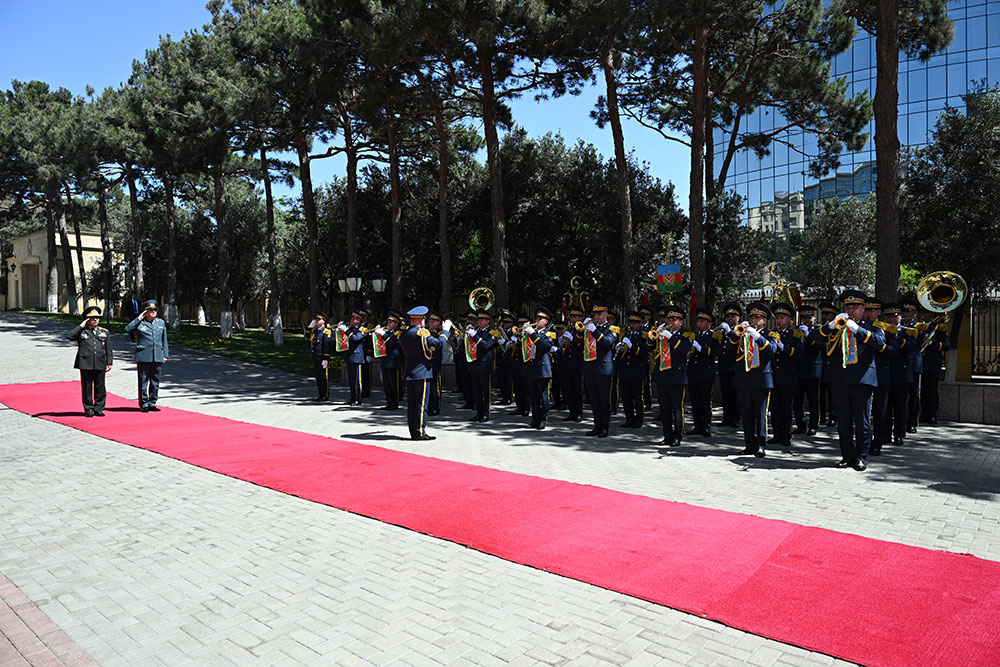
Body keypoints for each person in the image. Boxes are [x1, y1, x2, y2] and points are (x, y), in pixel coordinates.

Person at [821, 290, 886, 471]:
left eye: (855, 307)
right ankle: (846, 455)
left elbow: (880, 343)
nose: (851, 311)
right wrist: (831, 326)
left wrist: (857, 329)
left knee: (862, 421)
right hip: (839, 380)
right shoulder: (838, 326)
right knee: (843, 421)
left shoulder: (873, 326)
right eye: (848, 307)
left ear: (863, 309)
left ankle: (861, 457)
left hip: (861, 380)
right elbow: (814, 338)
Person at [727, 302, 775, 457]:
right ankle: (749, 444)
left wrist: (757, 336)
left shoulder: (770, 334)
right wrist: (737, 334)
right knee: (746, 414)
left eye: (757, 317)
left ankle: (761, 445)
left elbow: (772, 350)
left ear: (764, 321)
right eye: (752, 317)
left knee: (761, 414)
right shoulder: (743, 335)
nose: (754, 320)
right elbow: (729, 348)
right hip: (744, 379)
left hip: (761, 380)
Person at [651, 305, 694, 447]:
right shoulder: (662, 335)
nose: (670, 322)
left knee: (677, 408)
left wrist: (671, 337)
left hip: (677, 377)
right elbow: (649, 346)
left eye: (674, 319)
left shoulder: (686, 335)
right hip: (662, 375)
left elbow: (685, 350)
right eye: (669, 319)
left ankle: (677, 436)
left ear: (681, 322)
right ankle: (667, 435)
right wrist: (656, 334)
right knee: (664, 408)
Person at [399, 306, 443, 440]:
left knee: (412, 404)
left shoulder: (404, 334)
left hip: (410, 372)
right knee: (422, 404)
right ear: (421, 320)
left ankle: (413, 431)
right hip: (422, 373)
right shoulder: (421, 333)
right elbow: (438, 343)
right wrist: (446, 332)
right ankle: (420, 432)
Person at [767, 302, 803, 448]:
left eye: (782, 318)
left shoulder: (795, 334)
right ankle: (777, 434)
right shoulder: (772, 333)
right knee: (775, 408)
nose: (779, 320)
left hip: (788, 376)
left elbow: (799, 354)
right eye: (777, 318)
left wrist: (783, 347)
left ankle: (786, 435)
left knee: (786, 408)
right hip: (774, 376)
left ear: (789, 320)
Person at [68, 305, 114, 417]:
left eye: (97, 318)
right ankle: (88, 409)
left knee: (100, 387)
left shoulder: (104, 332)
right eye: (92, 318)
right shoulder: (82, 331)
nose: (95, 320)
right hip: (86, 363)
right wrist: (81, 325)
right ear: (87, 319)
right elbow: (70, 336)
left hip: (100, 362)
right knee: (87, 387)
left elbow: (108, 349)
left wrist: (109, 362)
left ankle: (98, 408)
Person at [581, 300, 618, 437]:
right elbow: (580, 343)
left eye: (599, 314)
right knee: (594, 400)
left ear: (605, 314)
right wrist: (583, 330)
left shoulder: (612, 329)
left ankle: (604, 427)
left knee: (603, 400)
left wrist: (595, 331)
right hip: (590, 368)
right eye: (594, 314)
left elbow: (607, 343)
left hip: (603, 369)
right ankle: (596, 426)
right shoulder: (591, 328)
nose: (596, 316)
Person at [124, 299, 169, 412]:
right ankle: (144, 403)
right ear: (145, 311)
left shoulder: (160, 323)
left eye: (155, 310)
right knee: (143, 380)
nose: (153, 312)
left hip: (157, 355)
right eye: (150, 310)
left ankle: (152, 402)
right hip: (144, 355)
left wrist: (165, 355)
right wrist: (139, 318)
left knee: (155, 381)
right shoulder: (140, 323)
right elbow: (127, 329)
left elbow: (164, 340)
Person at [520, 307, 557, 429]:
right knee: (533, 396)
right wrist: (524, 334)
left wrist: (532, 333)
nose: (537, 320)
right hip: (530, 368)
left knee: (543, 397)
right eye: (536, 318)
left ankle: (543, 420)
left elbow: (543, 346)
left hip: (542, 369)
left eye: (540, 318)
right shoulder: (531, 333)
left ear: (546, 321)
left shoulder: (549, 334)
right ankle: (535, 419)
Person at [685, 308, 719, 437]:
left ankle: (706, 426)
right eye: (698, 321)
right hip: (693, 373)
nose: (699, 324)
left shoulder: (714, 336)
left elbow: (715, 351)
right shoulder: (694, 335)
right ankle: (697, 425)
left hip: (706, 374)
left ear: (709, 324)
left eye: (702, 321)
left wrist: (701, 349)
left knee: (705, 401)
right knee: (695, 401)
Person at [617, 311, 650, 429]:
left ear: (640, 323)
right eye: (631, 322)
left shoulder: (643, 336)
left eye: (635, 323)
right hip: (625, 370)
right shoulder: (626, 334)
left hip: (637, 370)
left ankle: (639, 419)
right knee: (626, 397)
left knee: (638, 397)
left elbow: (644, 353)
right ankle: (629, 418)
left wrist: (632, 346)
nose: (632, 325)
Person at [793, 304, 822, 436]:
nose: (806, 320)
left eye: (809, 317)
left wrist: (808, 335)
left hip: (812, 369)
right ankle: (801, 424)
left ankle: (813, 425)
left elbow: (820, 346)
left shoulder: (819, 330)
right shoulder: (797, 330)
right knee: (797, 399)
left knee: (813, 399)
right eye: (804, 318)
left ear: (814, 317)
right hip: (799, 368)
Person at [465, 308, 498, 422]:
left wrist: (474, 336)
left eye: (482, 319)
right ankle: (478, 412)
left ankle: (485, 413)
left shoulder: (492, 333)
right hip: (474, 364)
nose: (479, 321)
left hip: (484, 366)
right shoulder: (476, 331)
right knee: (476, 391)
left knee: (485, 391)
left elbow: (486, 345)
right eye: (479, 319)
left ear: (488, 321)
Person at [920, 309, 950, 425]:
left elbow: (947, 345)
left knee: (932, 390)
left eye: (925, 313)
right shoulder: (919, 326)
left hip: (933, 364)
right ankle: (924, 413)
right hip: (921, 363)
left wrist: (933, 344)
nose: (923, 315)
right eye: (922, 312)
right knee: (922, 391)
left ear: (931, 314)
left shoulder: (940, 327)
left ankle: (932, 414)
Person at [716, 303, 742, 428]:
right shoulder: (723, 330)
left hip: (736, 367)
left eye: (733, 316)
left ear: (738, 318)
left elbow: (738, 344)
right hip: (724, 366)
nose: (730, 318)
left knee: (736, 394)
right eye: (728, 316)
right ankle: (726, 417)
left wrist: (729, 331)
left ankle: (735, 418)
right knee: (725, 393)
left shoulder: (741, 329)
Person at [559, 305, 586, 422]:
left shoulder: (582, 329)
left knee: (577, 389)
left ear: (580, 317)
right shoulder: (569, 328)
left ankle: (579, 412)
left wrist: (572, 339)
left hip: (577, 363)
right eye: (572, 316)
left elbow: (582, 344)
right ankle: (572, 412)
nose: (573, 319)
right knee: (568, 389)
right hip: (567, 363)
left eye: (575, 317)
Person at [338, 309, 368, 406]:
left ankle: (358, 399)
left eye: (354, 319)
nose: (351, 320)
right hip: (349, 356)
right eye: (351, 318)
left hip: (357, 357)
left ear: (358, 320)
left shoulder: (363, 330)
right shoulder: (350, 329)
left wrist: (346, 330)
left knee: (357, 380)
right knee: (351, 380)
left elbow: (355, 338)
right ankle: (352, 398)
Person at [376, 311, 404, 411]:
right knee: (386, 384)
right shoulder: (387, 333)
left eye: (391, 322)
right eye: (388, 322)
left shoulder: (399, 333)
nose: (388, 324)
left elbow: (392, 343)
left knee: (394, 384)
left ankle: (394, 404)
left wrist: (383, 335)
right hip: (385, 360)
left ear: (396, 324)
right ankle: (389, 403)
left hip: (393, 361)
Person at [306, 312, 333, 401]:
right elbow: (307, 336)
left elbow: (327, 346)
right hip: (316, 357)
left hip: (322, 357)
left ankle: (325, 395)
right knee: (318, 377)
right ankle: (320, 395)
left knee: (324, 377)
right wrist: (309, 327)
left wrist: (326, 358)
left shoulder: (326, 331)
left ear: (323, 321)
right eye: (316, 319)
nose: (316, 321)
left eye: (319, 319)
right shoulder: (316, 331)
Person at [426, 310, 445, 415]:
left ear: (438, 322)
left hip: (435, 363)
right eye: (430, 321)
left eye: (433, 321)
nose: (430, 323)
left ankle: (435, 407)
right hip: (427, 363)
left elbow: (439, 344)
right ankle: (428, 406)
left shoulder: (440, 334)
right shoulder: (427, 332)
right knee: (428, 387)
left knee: (435, 387)